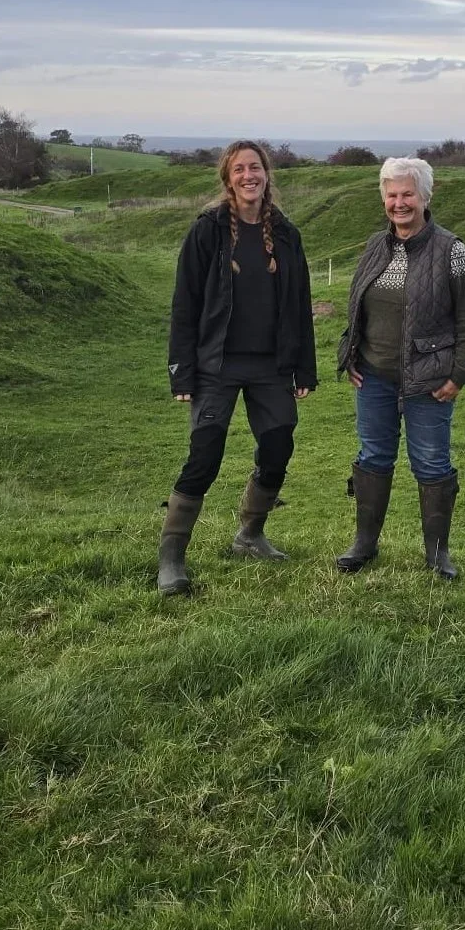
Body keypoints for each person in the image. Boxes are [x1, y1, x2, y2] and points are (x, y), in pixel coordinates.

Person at [158, 140, 318, 596]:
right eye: (240, 169)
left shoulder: (286, 233)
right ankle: (171, 557)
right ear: (228, 178)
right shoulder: (207, 230)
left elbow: (299, 304)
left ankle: (250, 535)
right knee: (203, 458)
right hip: (215, 366)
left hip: (270, 366)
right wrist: (181, 371)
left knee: (277, 446)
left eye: (256, 167)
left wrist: (303, 369)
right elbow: (184, 304)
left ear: (268, 174)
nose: (250, 175)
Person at [336, 157, 465, 578]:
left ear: (425, 197)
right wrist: (350, 354)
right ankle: (365, 544)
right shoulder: (374, 246)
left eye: (407, 194)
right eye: (392, 194)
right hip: (373, 376)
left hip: (430, 380)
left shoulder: (452, 251)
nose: (399, 203)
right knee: (373, 456)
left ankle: (438, 555)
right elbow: (356, 307)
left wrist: (458, 375)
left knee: (432, 463)